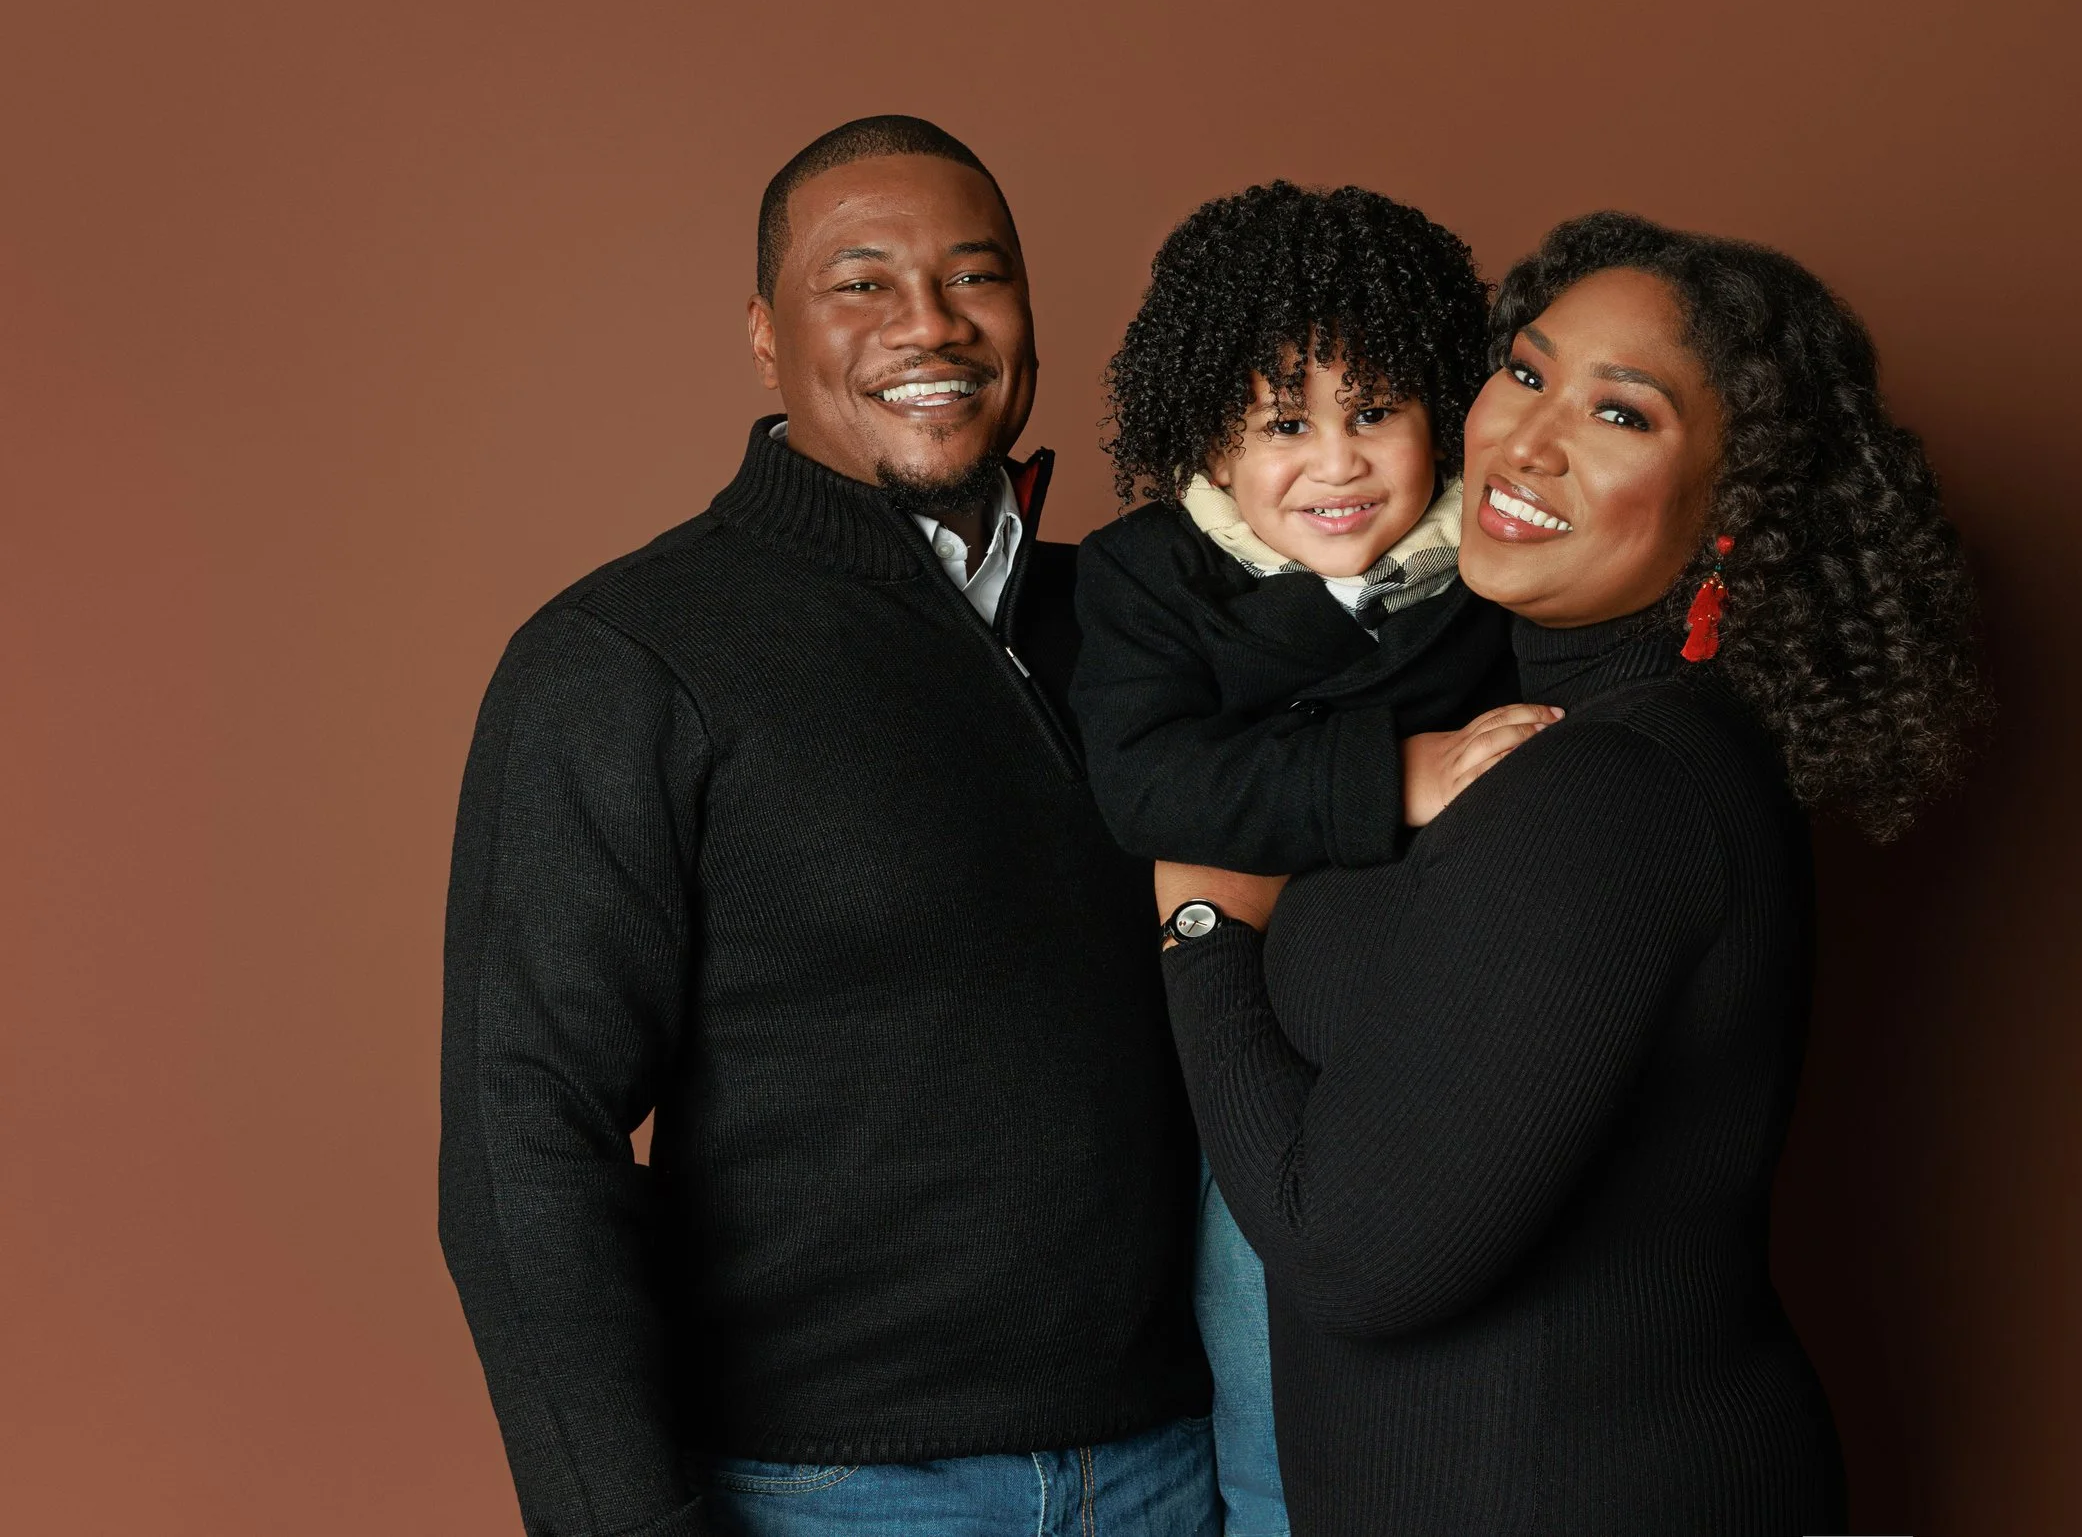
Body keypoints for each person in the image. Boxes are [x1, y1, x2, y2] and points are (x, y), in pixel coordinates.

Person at [1156, 213, 1990, 1536]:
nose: (1527, 442)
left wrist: (1205, 931)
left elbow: (1355, 1256)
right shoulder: (1534, 732)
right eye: (1527, 373)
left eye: (1621, 414)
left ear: (1736, 510)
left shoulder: (1613, 789)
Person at [439, 116, 1214, 1537]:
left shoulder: (1139, 621)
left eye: (975, 276)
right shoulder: (627, 656)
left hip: (1175, 1468)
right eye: (862, 282)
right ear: (763, 335)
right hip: (830, 1493)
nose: (931, 322)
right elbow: (520, 1141)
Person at [1068, 182, 1548, 1535]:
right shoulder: (1147, 575)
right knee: (1276, 1381)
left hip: (1451, 1048)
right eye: (1286, 424)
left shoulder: (1499, 563)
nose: (1336, 464)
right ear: (1208, 438)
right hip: (1253, 1062)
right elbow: (1148, 781)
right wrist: (1400, 774)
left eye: (1375, 413)